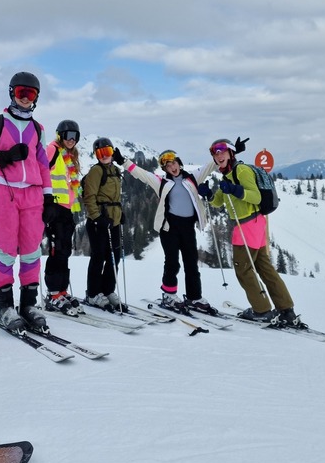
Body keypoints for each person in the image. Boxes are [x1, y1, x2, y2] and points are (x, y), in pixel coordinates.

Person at [0, 71, 53, 332]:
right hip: (3, 192)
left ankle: (28, 304)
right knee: (6, 250)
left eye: (31, 94)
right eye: (21, 93)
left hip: (32, 194)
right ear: (12, 93)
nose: (26, 99)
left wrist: (49, 196)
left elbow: (43, 165)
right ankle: (5, 305)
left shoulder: (37, 129)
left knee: (31, 250)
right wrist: (4, 157)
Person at [201, 138, 305, 327]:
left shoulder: (241, 171)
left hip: (246, 226)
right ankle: (286, 309)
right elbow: (218, 201)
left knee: (243, 269)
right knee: (265, 268)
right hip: (255, 226)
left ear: (231, 153)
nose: (218, 155)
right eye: (215, 153)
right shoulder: (228, 176)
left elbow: (255, 196)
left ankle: (262, 310)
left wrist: (236, 190)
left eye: (222, 151)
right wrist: (208, 194)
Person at [117, 148, 216, 312]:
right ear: (165, 169)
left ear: (179, 163)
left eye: (174, 163)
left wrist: (230, 153)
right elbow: (140, 173)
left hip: (188, 227)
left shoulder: (192, 178)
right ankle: (169, 295)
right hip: (169, 228)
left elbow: (210, 166)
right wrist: (123, 161)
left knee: (191, 263)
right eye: (168, 166)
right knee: (172, 262)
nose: (172, 167)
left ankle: (194, 297)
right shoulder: (161, 182)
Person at [43, 119, 83, 315]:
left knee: (65, 250)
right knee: (56, 250)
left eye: (75, 136)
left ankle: (62, 290)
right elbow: (42, 173)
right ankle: (52, 293)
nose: (71, 140)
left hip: (66, 210)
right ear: (60, 135)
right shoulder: (52, 150)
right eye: (68, 136)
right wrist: (46, 203)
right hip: (54, 208)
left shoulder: (70, 156)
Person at [81, 137, 124, 311]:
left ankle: (108, 290)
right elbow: (89, 197)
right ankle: (93, 293)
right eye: (100, 153)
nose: (104, 155)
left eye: (107, 151)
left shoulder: (115, 170)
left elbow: (115, 197)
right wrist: (97, 217)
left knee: (115, 257)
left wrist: (121, 214)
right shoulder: (96, 171)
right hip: (99, 222)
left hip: (113, 220)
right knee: (99, 257)